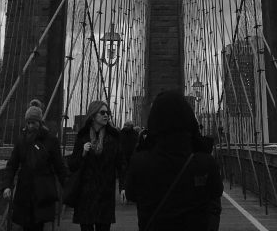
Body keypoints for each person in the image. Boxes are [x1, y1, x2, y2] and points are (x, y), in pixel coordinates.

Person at [125, 90, 223, 231]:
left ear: (154, 120)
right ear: (189, 118)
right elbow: (215, 195)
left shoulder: (140, 162)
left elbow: (131, 194)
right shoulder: (205, 162)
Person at [3, 104, 67, 231]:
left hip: (42, 192)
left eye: (34, 122)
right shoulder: (22, 140)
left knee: (38, 226)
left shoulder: (51, 140)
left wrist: (68, 187)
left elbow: (59, 166)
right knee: (26, 226)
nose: (30, 126)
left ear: (40, 122)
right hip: (25, 191)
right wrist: (7, 185)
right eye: (28, 123)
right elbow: (12, 164)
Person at [68, 99, 125, 231]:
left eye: (108, 113)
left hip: (105, 193)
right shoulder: (82, 137)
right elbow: (72, 165)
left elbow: (121, 164)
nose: (106, 115)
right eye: (102, 112)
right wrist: (82, 153)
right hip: (85, 194)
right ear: (93, 116)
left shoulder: (114, 137)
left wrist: (123, 186)